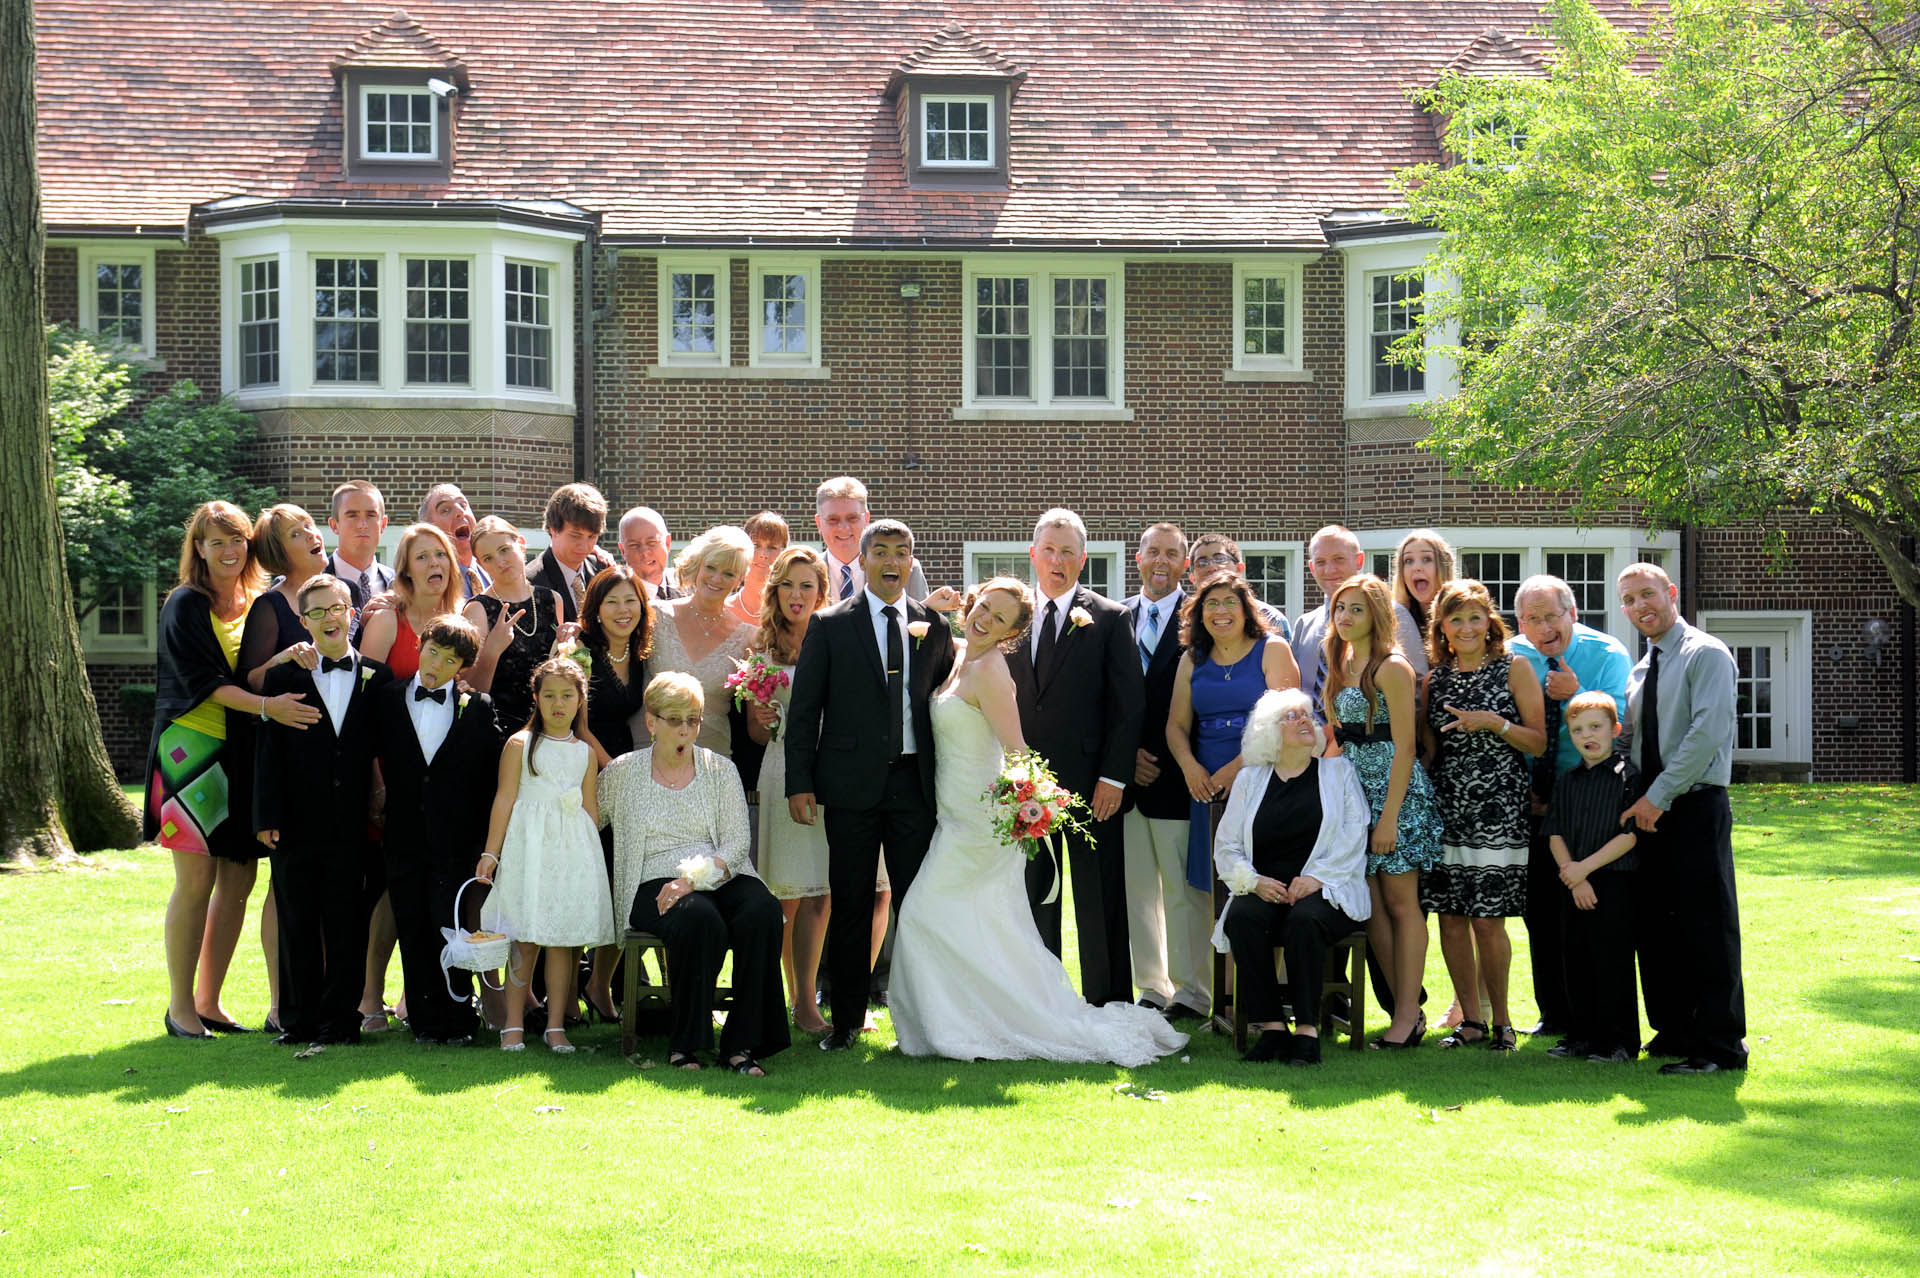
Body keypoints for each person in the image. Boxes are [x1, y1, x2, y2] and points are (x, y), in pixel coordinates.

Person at [891, 579, 1188, 1066]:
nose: (985, 618)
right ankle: (965, 1018)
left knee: (927, 913)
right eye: (983, 606)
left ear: (1012, 632)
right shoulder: (961, 654)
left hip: (982, 824)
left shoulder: (989, 671)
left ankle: (975, 1023)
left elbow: (1017, 752)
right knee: (978, 926)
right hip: (952, 816)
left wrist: (1030, 808)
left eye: (999, 618)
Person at [149, 501, 320, 1039]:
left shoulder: (255, 601)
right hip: (191, 752)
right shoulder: (185, 604)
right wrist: (269, 707)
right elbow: (207, 682)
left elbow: (256, 668)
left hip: (242, 752)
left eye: (237, 540)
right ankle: (180, 1008)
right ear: (197, 548)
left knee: (240, 878)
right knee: (195, 881)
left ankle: (210, 1002)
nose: (228, 551)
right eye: (216, 541)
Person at [785, 519, 957, 1052]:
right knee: (853, 904)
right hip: (850, 787)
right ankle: (846, 1024)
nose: (890, 561)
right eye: (879, 551)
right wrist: (799, 782)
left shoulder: (936, 626)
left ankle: (924, 1020)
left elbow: (945, 709)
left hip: (914, 786)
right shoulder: (831, 625)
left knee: (919, 905)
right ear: (861, 562)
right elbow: (805, 710)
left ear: (912, 563)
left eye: (901, 552)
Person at [603, 673, 789, 1073]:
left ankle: (742, 1045)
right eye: (674, 719)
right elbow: (587, 820)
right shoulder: (623, 772)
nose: (685, 729)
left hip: (721, 872)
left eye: (693, 719)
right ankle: (686, 1044)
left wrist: (695, 878)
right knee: (699, 917)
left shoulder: (720, 770)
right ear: (651, 722)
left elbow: (737, 843)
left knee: (763, 911)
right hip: (651, 876)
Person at [1007, 508, 1145, 1007]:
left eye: (1068, 552)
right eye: (1049, 550)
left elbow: (1128, 705)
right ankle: (1041, 1002)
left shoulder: (1109, 618)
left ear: (1082, 559)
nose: (1057, 560)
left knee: (1099, 897)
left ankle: (1107, 1002)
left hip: (1093, 783)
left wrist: (1115, 776)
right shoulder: (1012, 615)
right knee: (1033, 894)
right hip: (1024, 785)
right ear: (1033, 555)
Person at [1618, 563, 1747, 1075]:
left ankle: (1719, 1046)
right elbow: (1634, 739)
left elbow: (1707, 731)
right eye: (1628, 600)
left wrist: (1659, 795)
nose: (1639, 607)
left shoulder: (1705, 653)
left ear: (1671, 593)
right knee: (1658, 927)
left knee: (1706, 926)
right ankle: (1674, 1032)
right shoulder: (1641, 668)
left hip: (1691, 804)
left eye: (1647, 595)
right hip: (1650, 808)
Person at [253, 574, 392, 1046]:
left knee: (347, 922)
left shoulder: (378, 677)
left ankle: (341, 1019)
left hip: (353, 823)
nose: (329, 617)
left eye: (337, 608)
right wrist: (266, 815)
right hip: (294, 820)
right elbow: (268, 752)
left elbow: (386, 750)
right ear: (302, 620)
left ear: (351, 613)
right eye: (317, 612)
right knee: (296, 921)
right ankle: (298, 1019)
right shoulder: (284, 676)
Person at [1212, 688, 1373, 1066]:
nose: (1305, 720)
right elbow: (1227, 845)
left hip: (1327, 889)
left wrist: (1315, 877)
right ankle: (1271, 1029)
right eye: (1292, 716)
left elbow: (1355, 831)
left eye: (1307, 715)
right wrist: (1253, 883)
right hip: (1266, 886)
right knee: (1242, 918)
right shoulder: (1251, 780)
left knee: (1305, 920)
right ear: (1269, 731)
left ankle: (1306, 1033)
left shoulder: (1338, 772)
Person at [1420, 579, 1546, 1052]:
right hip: (1449, 807)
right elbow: (1431, 749)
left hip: (1499, 807)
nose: (1467, 627)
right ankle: (1470, 1021)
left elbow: (1537, 741)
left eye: (1475, 617)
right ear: (1443, 628)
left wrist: (1493, 722)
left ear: (1489, 622)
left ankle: (1504, 1024)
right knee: (1451, 918)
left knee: (1489, 921)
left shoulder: (1515, 668)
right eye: (1456, 619)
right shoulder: (1436, 679)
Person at [1164, 572, 1299, 1011]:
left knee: (1264, 884)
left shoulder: (1272, 649)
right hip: (1205, 786)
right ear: (1199, 613)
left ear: (1247, 610)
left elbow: (1289, 720)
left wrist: (1232, 771)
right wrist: (1190, 768)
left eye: (1229, 603)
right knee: (1218, 891)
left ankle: (1267, 999)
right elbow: (1176, 725)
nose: (1220, 612)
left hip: (1263, 777)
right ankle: (1224, 1002)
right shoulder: (1192, 658)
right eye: (1210, 604)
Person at [1509, 574, 1632, 1040]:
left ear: (1573, 614)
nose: (1543, 628)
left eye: (1552, 616)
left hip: (1588, 797)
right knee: (1538, 912)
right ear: (1521, 622)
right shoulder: (1513, 656)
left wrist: (1574, 696)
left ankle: (1598, 1019)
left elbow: (1614, 728)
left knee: (1587, 911)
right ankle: (1554, 1014)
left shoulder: (1606, 654)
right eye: (1532, 619)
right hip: (1530, 799)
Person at [1323, 573, 1443, 1049]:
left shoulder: (1392, 667)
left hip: (1396, 796)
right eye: (1340, 609)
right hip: (1353, 800)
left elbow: (1406, 746)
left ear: (1376, 614)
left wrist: (1389, 817)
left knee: (1401, 904)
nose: (1346, 618)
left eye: (1356, 608)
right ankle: (1403, 1010)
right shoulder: (1340, 659)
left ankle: (1408, 1014)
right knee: (1370, 908)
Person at [476, 657, 617, 1053]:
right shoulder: (520, 744)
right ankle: (514, 1024)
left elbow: (590, 809)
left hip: (571, 852)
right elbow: (505, 799)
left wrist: (590, 863)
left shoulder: (585, 752)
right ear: (536, 699)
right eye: (550, 696)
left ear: (580, 700)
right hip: (530, 848)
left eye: (567, 696)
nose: (559, 704)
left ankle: (556, 1025)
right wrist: (491, 852)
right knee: (525, 937)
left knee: (561, 940)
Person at [373, 615, 500, 1046]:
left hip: (455, 840)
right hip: (404, 836)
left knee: (452, 927)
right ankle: (425, 1021)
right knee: (411, 925)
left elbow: (488, 778)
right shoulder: (388, 698)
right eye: (432, 652)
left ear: (462, 667)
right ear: (419, 646)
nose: (436, 664)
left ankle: (459, 1017)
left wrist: (484, 842)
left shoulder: (478, 707)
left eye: (449, 660)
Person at [236, 502, 331, 1031]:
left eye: (311, 527)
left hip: (338, 758)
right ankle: (281, 1001)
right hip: (291, 755)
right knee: (286, 886)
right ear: (279, 551)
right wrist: (283, 660)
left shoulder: (341, 595)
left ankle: (332, 992)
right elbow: (251, 678)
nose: (312, 536)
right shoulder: (271, 607)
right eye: (299, 534)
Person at [746, 547, 838, 1034]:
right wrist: (760, 721)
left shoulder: (838, 640)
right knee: (785, 895)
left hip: (831, 773)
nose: (797, 595)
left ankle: (810, 1001)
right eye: (788, 585)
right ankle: (792, 999)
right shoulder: (760, 651)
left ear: (821, 592)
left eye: (807, 586)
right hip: (782, 772)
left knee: (822, 894)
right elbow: (757, 735)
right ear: (774, 591)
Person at [1122, 522, 1209, 1023]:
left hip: (1180, 778)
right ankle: (1151, 987)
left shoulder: (1199, 620)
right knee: (1138, 891)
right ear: (1138, 557)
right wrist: (1126, 758)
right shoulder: (1115, 617)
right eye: (1152, 552)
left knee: (1182, 891)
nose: (1161, 561)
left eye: (1171, 554)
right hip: (1127, 780)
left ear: (1185, 565)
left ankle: (1191, 990)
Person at [1542, 692, 1642, 1064]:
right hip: (1573, 884)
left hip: (1614, 882)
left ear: (1615, 730)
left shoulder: (1628, 777)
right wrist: (1573, 876)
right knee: (1576, 959)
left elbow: (1630, 835)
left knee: (1611, 960)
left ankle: (1619, 1043)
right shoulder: (1567, 782)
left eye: (1596, 727)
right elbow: (1555, 834)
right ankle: (1580, 1036)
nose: (1589, 735)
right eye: (1579, 729)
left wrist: (1585, 869)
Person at [577, 565, 654, 1022]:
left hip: (625, 767)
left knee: (621, 879)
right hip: (588, 768)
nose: (623, 611)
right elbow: (575, 723)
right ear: (596, 610)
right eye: (612, 602)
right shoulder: (581, 650)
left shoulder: (644, 653)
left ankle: (599, 983)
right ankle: (565, 992)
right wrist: (615, 767)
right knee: (590, 878)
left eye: (631, 601)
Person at [641, 526, 757, 757]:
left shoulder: (749, 638)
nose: (716, 579)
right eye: (711, 568)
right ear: (698, 565)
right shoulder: (655, 616)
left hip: (712, 758)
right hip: (651, 751)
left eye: (728, 573)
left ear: (739, 580)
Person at [1290, 525, 1427, 716]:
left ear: (1359, 560)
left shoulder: (1392, 615)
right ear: (1311, 567)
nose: (1330, 569)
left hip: (1372, 740)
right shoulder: (1304, 625)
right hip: (1310, 742)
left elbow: (1418, 689)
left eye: (1339, 559)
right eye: (1320, 562)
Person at [465, 516, 570, 743]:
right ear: (481, 565)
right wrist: (492, 652)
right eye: (488, 558)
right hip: (498, 734)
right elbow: (468, 692)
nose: (500, 562)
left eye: (504, 550)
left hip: (550, 730)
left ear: (521, 544)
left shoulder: (552, 599)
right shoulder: (477, 610)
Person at [359, 524, 465, 683]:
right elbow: (363, 691)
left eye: (441, 554)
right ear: (406, 570)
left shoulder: (463, 618)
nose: (434, 563)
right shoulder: (385, 620)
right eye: (422, 557)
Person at [814, 475, 929, 603]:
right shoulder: (807, 572)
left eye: (852, 518)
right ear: (818, 523)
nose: (844, 528)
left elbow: (922, 620)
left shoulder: (906, 570)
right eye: (833, 520)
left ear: (866, 519)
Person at [528, 482, 616, 624]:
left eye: (592, 537)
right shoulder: (532, 582)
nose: (584, 546)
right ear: (553, 529)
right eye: (575, 536)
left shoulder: (603, 571)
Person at [325, 480, 393, 640]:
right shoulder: (312, 581)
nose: (362, 525)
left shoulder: (400, 584)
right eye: (352, 515)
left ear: (383, 524)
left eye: (371, 515)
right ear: (334, 525)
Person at [1187, 532, 1289, 638]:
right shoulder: (1185, 622)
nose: (1212, 567)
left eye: (1220, 559)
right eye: (1202, 563)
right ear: (1192, 578)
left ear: (1239, 568)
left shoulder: (1272, 619)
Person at [418, 484, 489, 598]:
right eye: (445, 510)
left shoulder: (493, 571)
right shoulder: (421, 584)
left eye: (463, 505)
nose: (460, 512)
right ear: (429, 530)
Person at [1392, 529, 1456, 642]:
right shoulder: (1394, 622)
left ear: (1444, 566)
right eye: (1408, 561)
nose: (1416, 567)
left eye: (1427, 559)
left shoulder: (1462, 615)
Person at [726, 510, 789, 625]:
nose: (763, 554)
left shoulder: (791, 612)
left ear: (783, 553)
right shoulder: (723, 609)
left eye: (772, 547)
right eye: (756, 545)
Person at [616, 506, 680, 602]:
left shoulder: (689, 588)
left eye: (652, 543)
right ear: (623, 550)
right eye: (634, 545)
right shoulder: (613, 597)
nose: (645, 552)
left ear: (667, 543)